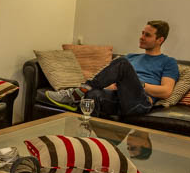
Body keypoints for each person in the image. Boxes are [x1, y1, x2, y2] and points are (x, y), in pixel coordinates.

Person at [47, 20, 179, 118]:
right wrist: (115, 85)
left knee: (121, 62)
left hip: (139, 102)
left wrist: (136, 83)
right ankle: (90, 142)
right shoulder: (132, 57)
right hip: (117, 98)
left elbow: (166, 91)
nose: (141, 37)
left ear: (160, 40)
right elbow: (108, 80)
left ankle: (77, 92)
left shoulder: (168, 62)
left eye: (147, 35)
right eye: (142, 33)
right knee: (93, 95)